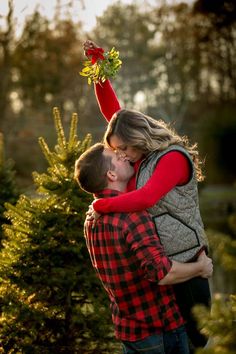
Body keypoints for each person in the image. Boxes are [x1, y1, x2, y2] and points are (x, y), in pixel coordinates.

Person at [81, 40, 212, 351]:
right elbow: (114, 113)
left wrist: (102, 204)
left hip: (189, 262)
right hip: (165, 264)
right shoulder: (139, 155)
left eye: (123, 148)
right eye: (117, 151)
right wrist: (100, 68)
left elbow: (147, 198)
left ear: (138, 138)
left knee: (196, 342)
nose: (122, 156)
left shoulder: (172, 159)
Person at [74, 142, 213, 354]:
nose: (123, 156)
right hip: (161, 330)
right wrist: (200, 268)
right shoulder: (132, 216)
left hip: (128, 329)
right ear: (111, 174)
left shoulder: (91, 219)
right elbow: (162, 273)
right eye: (117, 156)